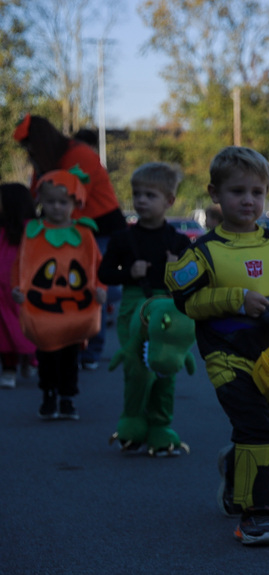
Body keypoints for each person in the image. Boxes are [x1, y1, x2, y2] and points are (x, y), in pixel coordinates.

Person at [165, 146, 269, 545]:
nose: (248, 200)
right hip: (226, 356)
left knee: (267, 427)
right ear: (215, 194)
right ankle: (257, 516)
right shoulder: (203, 251)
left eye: (257, 192)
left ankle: (235, 470)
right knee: (258, 430)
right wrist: (234, 299)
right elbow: (190, 304)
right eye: (238, 191)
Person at [14, 114, 128, 369]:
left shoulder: (78, 155)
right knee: (71, 289)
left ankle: (90, 349)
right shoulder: (47, 161)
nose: (28, 151)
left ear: (40, 141)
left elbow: (72, 198)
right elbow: (36, 194)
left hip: (101, 228)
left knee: (98, 289)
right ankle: (69, 345)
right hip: (69, 231)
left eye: (29, 145)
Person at [99, 162, 193, 454]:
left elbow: (193, 283)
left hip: (168, 310)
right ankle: (132, 421)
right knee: (138, 368)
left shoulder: (178, 241)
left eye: (149, 195)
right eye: (137, 194)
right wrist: (129, 272)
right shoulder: (122, 238)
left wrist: (177, 270)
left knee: (165, 369)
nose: (141, 200)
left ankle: (159, 426)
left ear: (169, 201)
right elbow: (104, 274)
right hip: (133, 307)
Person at [12, 168, 104, 419]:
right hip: (42, 313)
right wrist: (17, 289)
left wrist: (100, 290)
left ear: (76, 202)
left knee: (70, 358)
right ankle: (49, 393)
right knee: (47, 355)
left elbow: (96, 265)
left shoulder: (84, 234)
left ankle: (67, 397)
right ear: (40, 201)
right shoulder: (33, 233)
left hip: (75, 311)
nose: (56, 207)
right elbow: (21, 265)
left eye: (63, 202)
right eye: (50, 201)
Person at [0, 183, 37, 389]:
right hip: (2, 290)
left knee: (21, 327)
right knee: (4, 331)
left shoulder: (33, 230)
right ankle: (9, 367)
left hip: (22, 289)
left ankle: (27, 358)